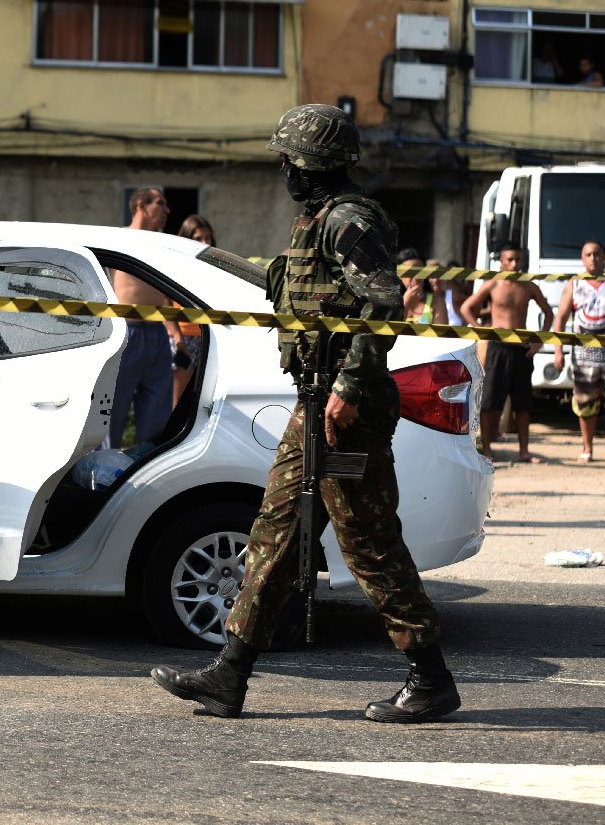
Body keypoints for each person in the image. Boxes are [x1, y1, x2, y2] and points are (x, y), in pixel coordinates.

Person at [151, 104, 460, 724]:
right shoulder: (314, 223)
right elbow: (289, 283)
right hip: (315, 399)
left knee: (368, 543)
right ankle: (229, 675)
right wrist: (206, 261)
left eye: (289, 160)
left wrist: (348, 386)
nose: (284, 170)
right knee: (276, 531)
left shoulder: (348, 219)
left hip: (352, 404)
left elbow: (382, 304)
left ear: (312, 164)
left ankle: (430, 678)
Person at [459, 243, 554, 463]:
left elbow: (548, 313)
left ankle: (524, 451)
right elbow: (466, 308)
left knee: (522, 404)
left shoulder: (529, 286)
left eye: (518, 260)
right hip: (497, 348)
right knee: (491, 402)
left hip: (521, 349)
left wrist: (538, 342)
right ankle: (488, 449)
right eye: (510, 259)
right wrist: (483, 333)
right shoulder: (493, 283)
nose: (514, 264)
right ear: (501, 261)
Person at [108, 187, 176, 446]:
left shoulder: (163, 243)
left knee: (157, 413)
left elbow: (165, 296)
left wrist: (176, 337)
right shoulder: (117, 239)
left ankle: (148, 465)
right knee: (112, 409)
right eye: (160, 203)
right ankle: (103, 469)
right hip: (126, 331)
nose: (167, 210)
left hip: (157, 334)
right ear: (140, 206)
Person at [552, 241, 605, 463]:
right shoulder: (574, 284)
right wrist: (558, 351)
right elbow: (560, 319)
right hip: (584, 358)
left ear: (603, 257)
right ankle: (588, 449)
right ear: (582, 259)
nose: (593, 258)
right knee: (585, 405)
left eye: (597, 254)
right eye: (588, 254)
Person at [171, 215, 216, 403]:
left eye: (207, 238)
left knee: (201, 402)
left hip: (208, 337)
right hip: (184, 337)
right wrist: (177, 337)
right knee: (178, 402)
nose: (204, 243)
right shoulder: (175, 264)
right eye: (198, 238)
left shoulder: (213, 266)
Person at [395, 247, 448, 325]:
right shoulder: (391, 301)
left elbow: (441, 335)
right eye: (410, 272)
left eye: (420, 272)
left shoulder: (436, 302)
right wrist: (406, 304)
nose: (416, 278)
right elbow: (389, 334)